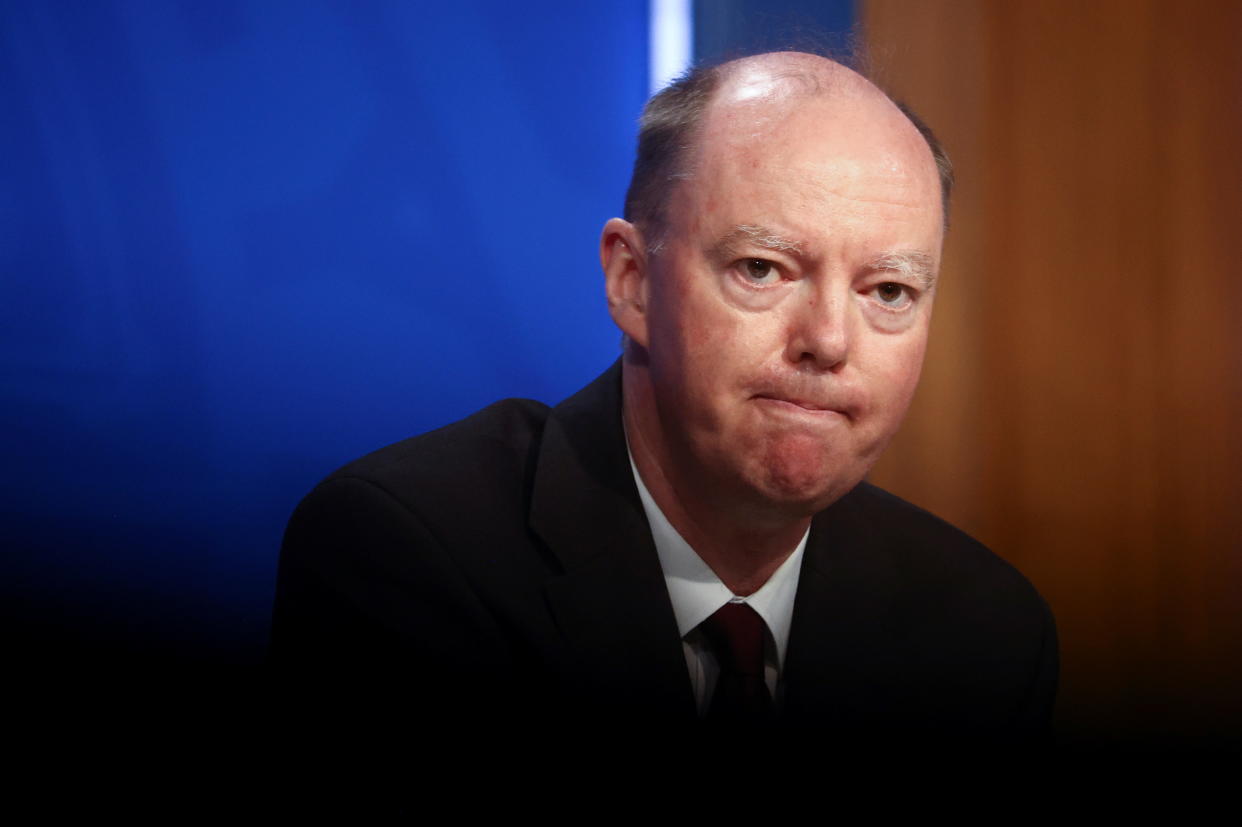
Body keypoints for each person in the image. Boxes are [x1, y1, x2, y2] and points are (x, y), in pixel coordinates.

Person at [271, 51, 1057, 743]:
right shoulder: (407, 558)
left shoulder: (983, 634)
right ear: (633, 282)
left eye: (888, 289)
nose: (829, 339)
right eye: (763, 269)